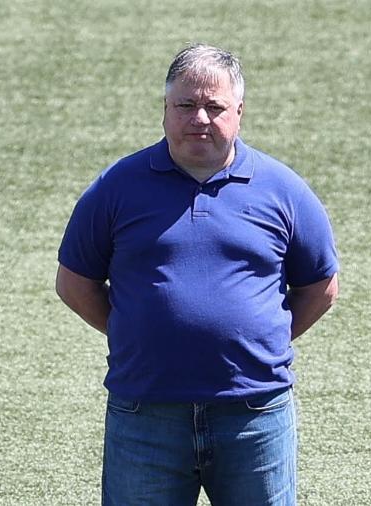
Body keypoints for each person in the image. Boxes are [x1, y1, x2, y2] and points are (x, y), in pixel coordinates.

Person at [56, 44, 339, 505]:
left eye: (215, 106)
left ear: (240, 112)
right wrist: (133, 330)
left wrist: (260, 342)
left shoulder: (283, 189)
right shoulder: (116, 187)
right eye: (185, 105)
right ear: (165, 109)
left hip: (254, 415)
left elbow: (321, 287)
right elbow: (74, 282)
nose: (199, 118)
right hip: (146, 413)